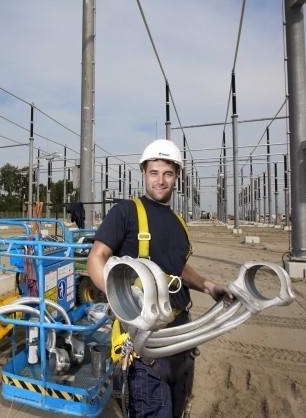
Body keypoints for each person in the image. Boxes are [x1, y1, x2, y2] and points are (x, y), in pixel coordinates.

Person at [87, 139, 233, 418]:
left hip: (181, 337)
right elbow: (97, 258)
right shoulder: (126, 212)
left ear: (176, 176)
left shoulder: (178, 222)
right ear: (144, 173)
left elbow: (178, 268)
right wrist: (119, 298)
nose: (160, 180)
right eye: (154, 173)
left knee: (178, 409)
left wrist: (207, 285)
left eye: (167, 173)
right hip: (145, 344)